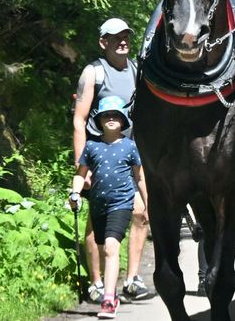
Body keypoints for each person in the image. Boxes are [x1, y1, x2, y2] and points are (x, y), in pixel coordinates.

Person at [72, 18, 151, 303]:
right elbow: (79, 121)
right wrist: (82, 168)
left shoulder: (136, 70)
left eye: (126, 36)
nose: (123, 41)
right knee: (97, 221)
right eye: (116, 37)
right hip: (98, 156)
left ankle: (132, 279)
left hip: (128, 154)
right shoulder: (93, 73)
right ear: (103, 42)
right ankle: (96, 283)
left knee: (141, 213)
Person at [70, 95, 150, 319]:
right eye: (106, 115)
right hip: (98, 205)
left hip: (122, 203)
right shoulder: (91, 146)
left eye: (116, 115)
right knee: (103, 249)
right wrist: (75, 193)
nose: (111, 118)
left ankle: (108, 300)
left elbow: (140, 177)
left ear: (123, 120)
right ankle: (110, 290)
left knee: (111, 247)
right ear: (99, 121)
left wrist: (147, 204)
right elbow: (80, 175)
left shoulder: (130, 146)